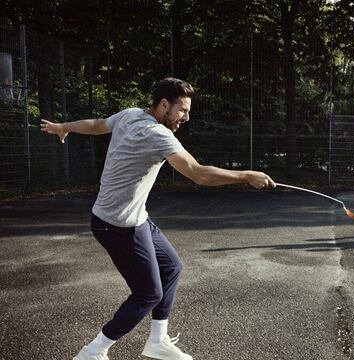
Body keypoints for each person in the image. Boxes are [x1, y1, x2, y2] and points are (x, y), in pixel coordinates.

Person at [41, 78, 276, 360]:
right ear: (164, 104)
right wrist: (245, 176)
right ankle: (93, 352)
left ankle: (157, 341)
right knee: (147, 294)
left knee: (172, 267)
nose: (186, 118)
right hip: (117, 225)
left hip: (134, 219)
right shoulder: (157, 134)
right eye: (182, 110)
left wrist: (64, 127)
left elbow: (96, 125)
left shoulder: (129, 115)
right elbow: (198, 173)